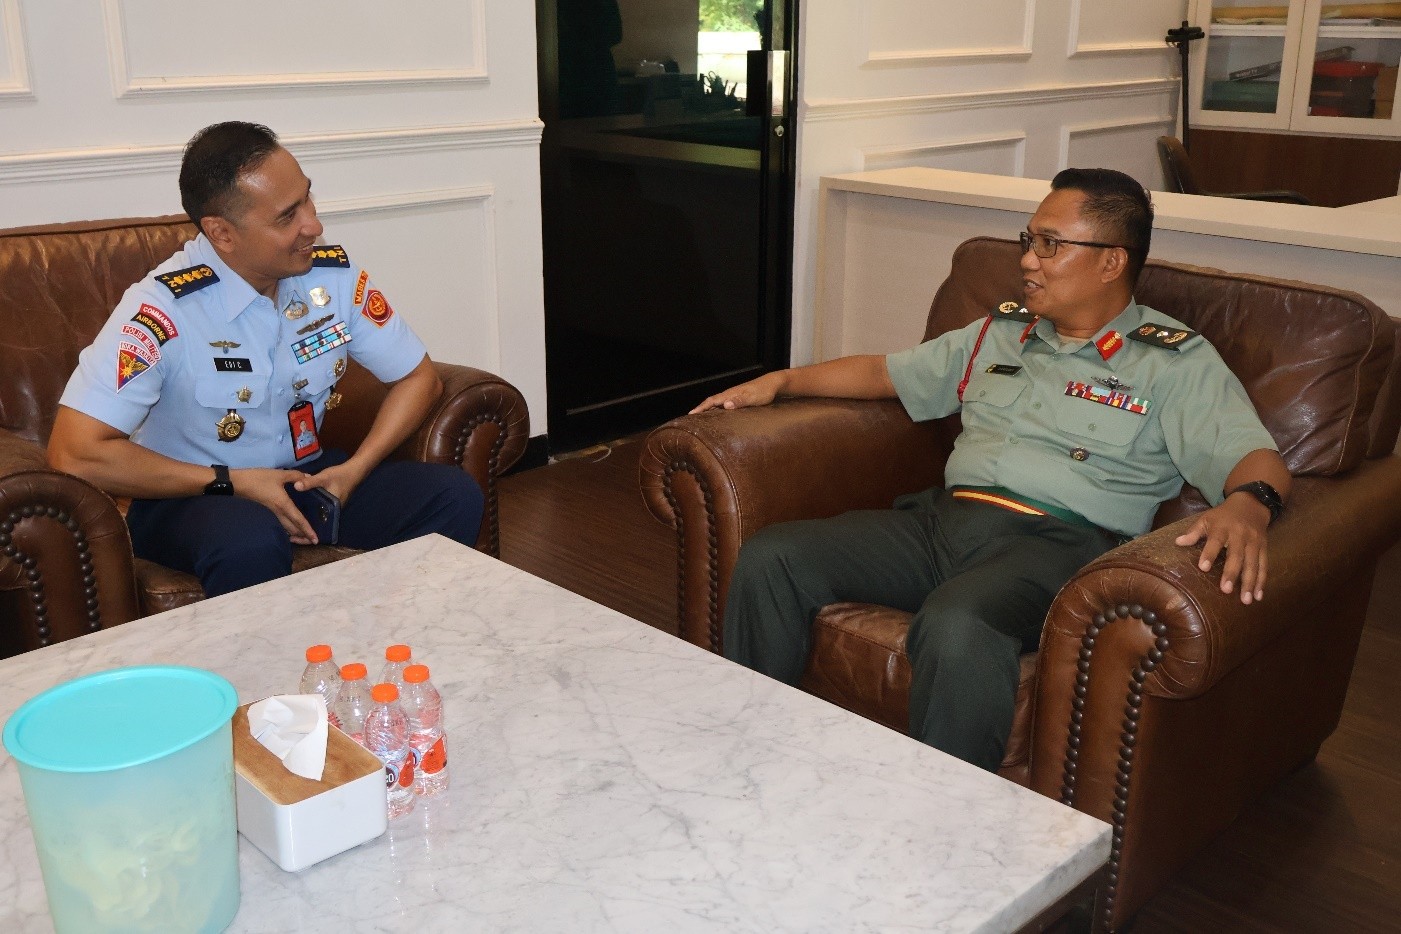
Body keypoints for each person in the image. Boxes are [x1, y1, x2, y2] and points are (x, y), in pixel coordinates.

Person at [689, 168, 1291, 771]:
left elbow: (1253, 455)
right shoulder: (999, 333)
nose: (1028, 260)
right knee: (774, 558)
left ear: (1112, 261)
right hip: (943, 524)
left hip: (1057, 545)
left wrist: (1250, 504)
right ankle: (749, 755)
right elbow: (885, 373)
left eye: (1050, 244)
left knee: (958, 623)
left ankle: (947, 812)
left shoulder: (1173, 362)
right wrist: (783, 381)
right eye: (1029, 240)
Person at [48, 121, 483, 597]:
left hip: (303, 476)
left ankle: (393, 635)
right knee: (248, 542)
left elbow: (418, 378)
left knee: (452, 496)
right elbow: (74, 452)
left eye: (307, 198)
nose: (313, 225)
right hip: (195, 493)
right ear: (221, 233)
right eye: (287, 216)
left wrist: (355, 469)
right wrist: (232, 482)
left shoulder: (332, 279)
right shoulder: (162, 311)